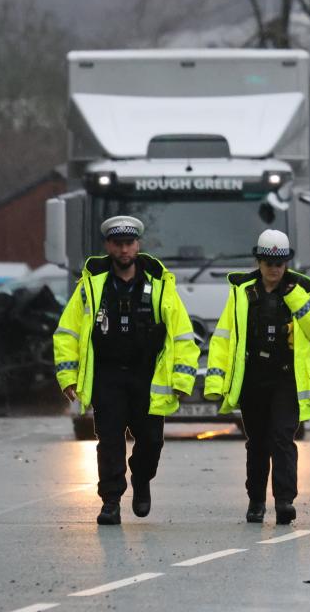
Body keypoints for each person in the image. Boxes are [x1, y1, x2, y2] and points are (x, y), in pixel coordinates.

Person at [53, 215, 200, 525]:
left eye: (129, 244)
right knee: (109, 441)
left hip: (147, 377)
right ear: (108, 246)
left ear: (138, 245)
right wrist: (68, 377)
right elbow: (68, 334)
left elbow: (182, 335)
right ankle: (110, 502)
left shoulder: (160, 287)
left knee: (151, 441)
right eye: (117, 244)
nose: (123, 250)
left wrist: (182, 379)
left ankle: (142, 479)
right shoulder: (91, 288)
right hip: (107, 377)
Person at [204, 229, 310, 525]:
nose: (274, 269)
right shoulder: (241, 292)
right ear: (258, 261)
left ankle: (285, 501)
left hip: (287, 379)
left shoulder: (303, 290)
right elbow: (224, 338)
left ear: (287, 262)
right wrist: (215, 382)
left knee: (282, 438)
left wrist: (296, 298)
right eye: (268, 262)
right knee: (258, 442)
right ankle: (256, 501)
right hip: (253, 379)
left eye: (279, 263)